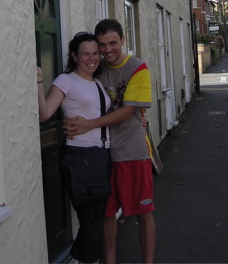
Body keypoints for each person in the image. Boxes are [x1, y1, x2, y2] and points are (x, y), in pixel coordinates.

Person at [65, 19, 156, 264]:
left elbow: (128, 111)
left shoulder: (138, 68)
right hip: (101, 155)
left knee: (143, 212)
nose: (107, 50)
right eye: (102, 44)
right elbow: (74, 90)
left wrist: (88, 124)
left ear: (123, 40)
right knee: (107, 215)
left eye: (112, 43)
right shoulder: (96, 68)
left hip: (132, 152)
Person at [37, 31, 112, 264]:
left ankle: (81, 259)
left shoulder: (97, 82)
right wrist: (39, 83)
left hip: (101, 155)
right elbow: (45, 113)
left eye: (95, 54)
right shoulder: (66, 80)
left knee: (96, 220)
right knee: (91, 222)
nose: (91, 59)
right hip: (81, 157)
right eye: (85, 54)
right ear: (74, 56)